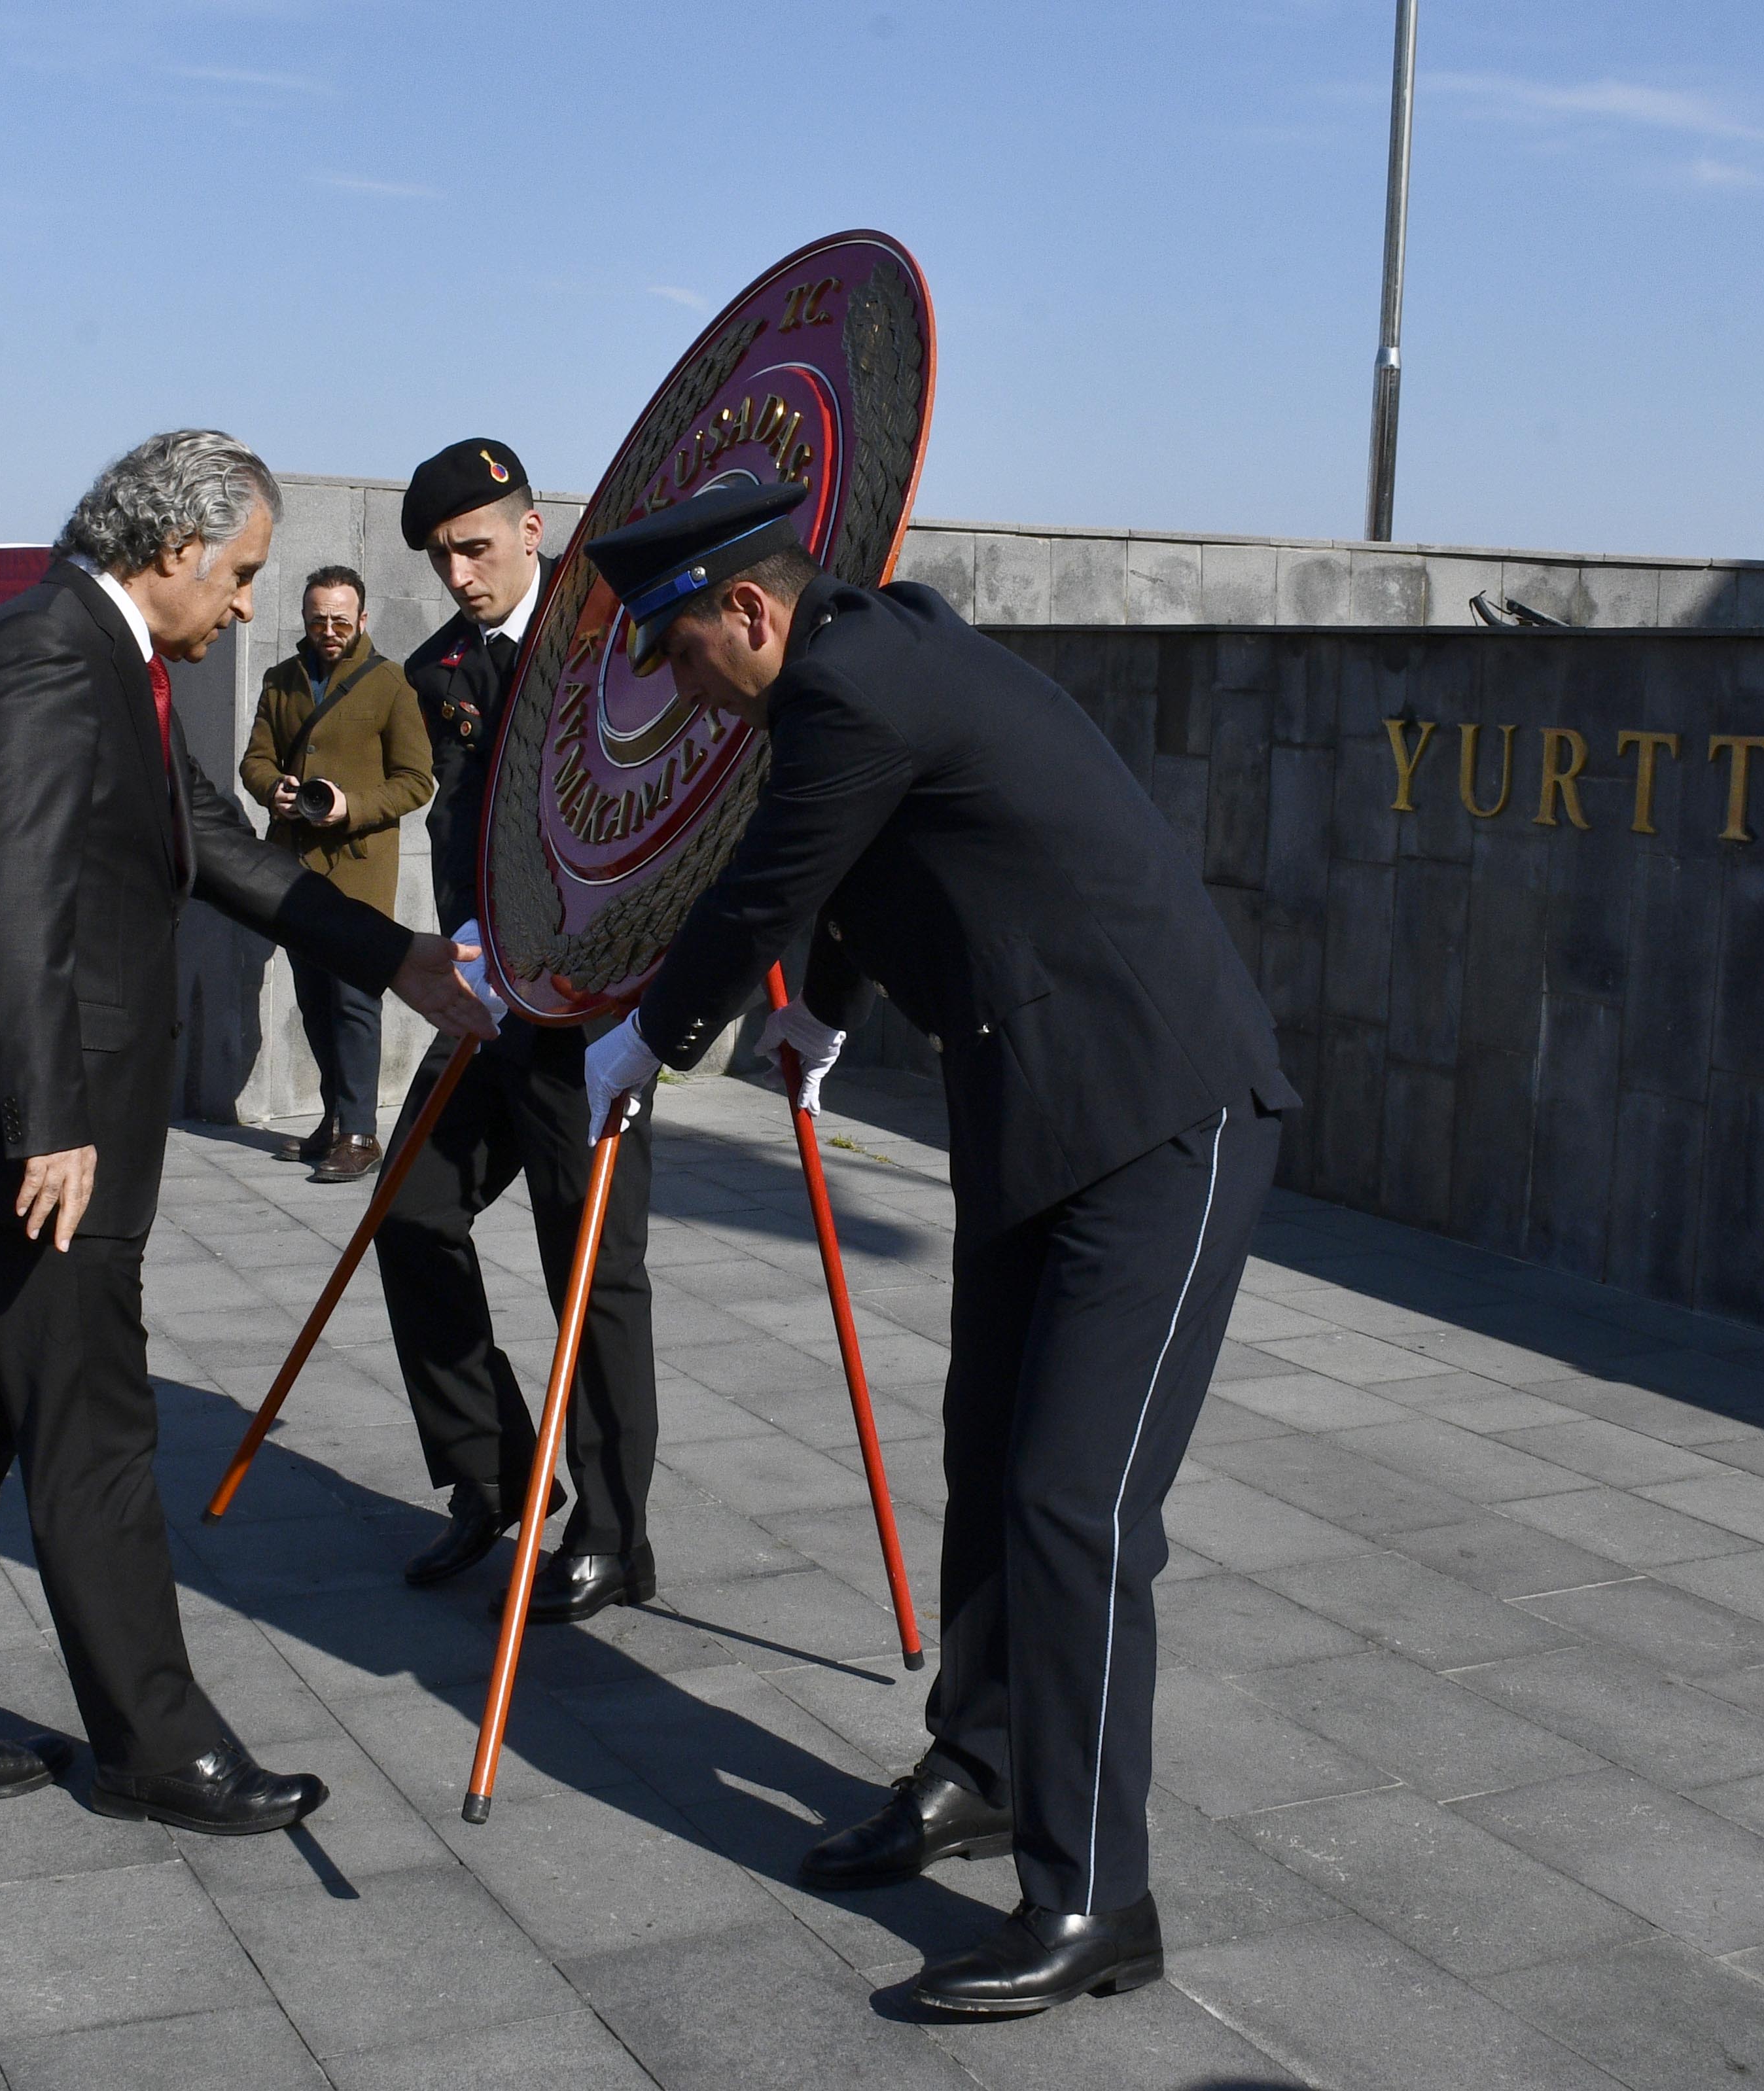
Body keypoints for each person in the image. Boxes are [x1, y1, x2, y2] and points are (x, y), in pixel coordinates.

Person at [577, 483, 1298, 2017]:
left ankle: (1096, 1897)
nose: (681, 690)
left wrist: (649, 1037)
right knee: (989, 1452)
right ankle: (981, 1764)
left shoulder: (851, 683)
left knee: (1076, 1501)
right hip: (1044, 1112)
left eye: (683, 653)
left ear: (751, 610)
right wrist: (827, 1013)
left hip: (1161, 1118)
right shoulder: (871, 658)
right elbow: (859, 859)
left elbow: (770, 883)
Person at [0, 431, 498, 1834]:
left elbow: (216, 846)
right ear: (176, 547)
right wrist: (50, 1122)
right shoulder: (48, 656)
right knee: (92, 1436)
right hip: (30, 1141)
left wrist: (394, 957)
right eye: (243, 573)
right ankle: (156, 1746)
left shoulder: (107, 657)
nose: (250, 603)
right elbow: (13, 891)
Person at [379, 438, 663, 1622]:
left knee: (588, 1269)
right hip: (492, 1000)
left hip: (594, 1015)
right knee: (410, 1212)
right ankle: (497, 1471)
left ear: (533, 529)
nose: (460, 575)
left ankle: (613, 1533)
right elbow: (455, 830)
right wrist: (470, 945)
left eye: (476, 547)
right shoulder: (439, 668)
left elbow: (657, 814)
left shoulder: (615, 638)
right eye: (441, 559)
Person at [242, 565, 431, 1183]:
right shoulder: (281, 679)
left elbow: (416, 781)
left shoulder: (390, 683)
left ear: (362, 619)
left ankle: (360, 1134)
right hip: (293, 867)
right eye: (318, 620)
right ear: (305, 618)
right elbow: (255, 760)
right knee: (313, 1000)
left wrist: (352, 807)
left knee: (354, 1001)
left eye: (341, 621)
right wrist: (274, 790)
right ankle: (332, 1121)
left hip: (358, 872)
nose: (329, 630)